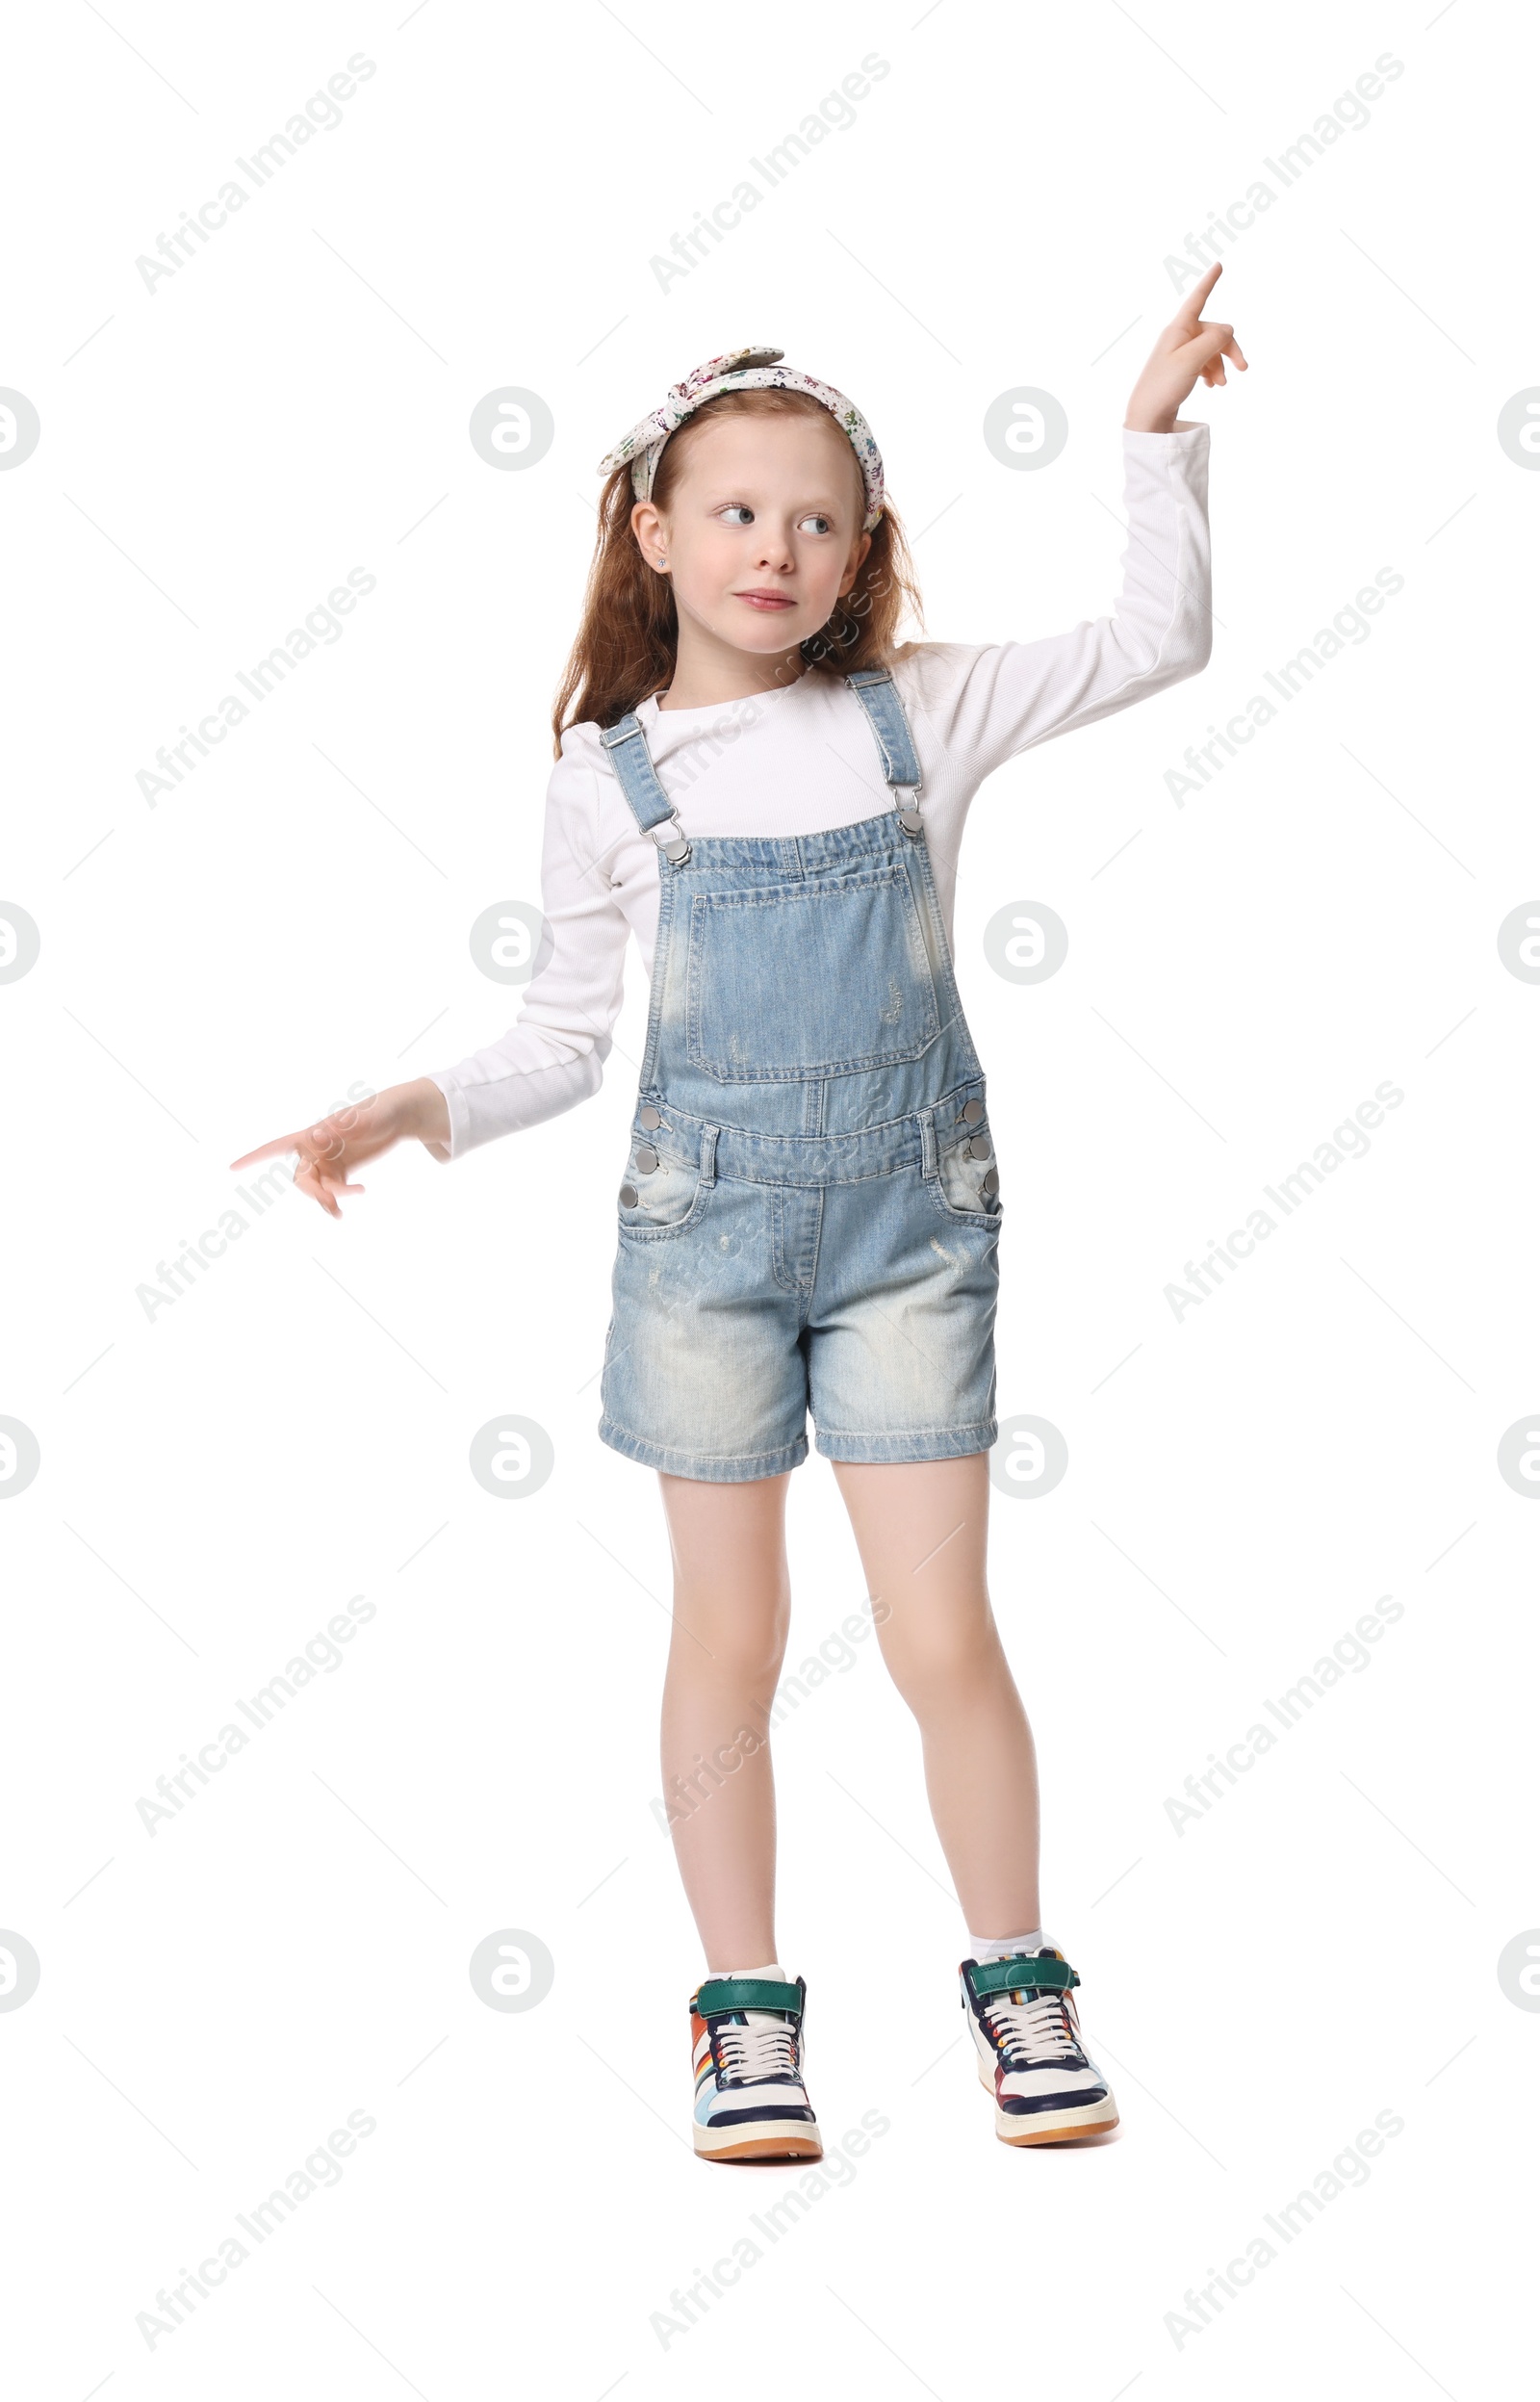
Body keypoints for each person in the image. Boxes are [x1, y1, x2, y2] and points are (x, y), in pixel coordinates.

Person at [232, 265, 1245, 2161]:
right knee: (729, 1637)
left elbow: (1150, 641)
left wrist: (1149, 439)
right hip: (698, 1249)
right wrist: (411, 1105)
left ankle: (1013, 1972)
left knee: (942, 1630)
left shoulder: (909, 717)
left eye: (815, 518)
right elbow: (555, 1039)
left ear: (859, 552)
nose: (772, 545)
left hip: (905, 1239)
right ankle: (744, 2013)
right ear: (649, 528)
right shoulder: (601, 776)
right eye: (733, 510)